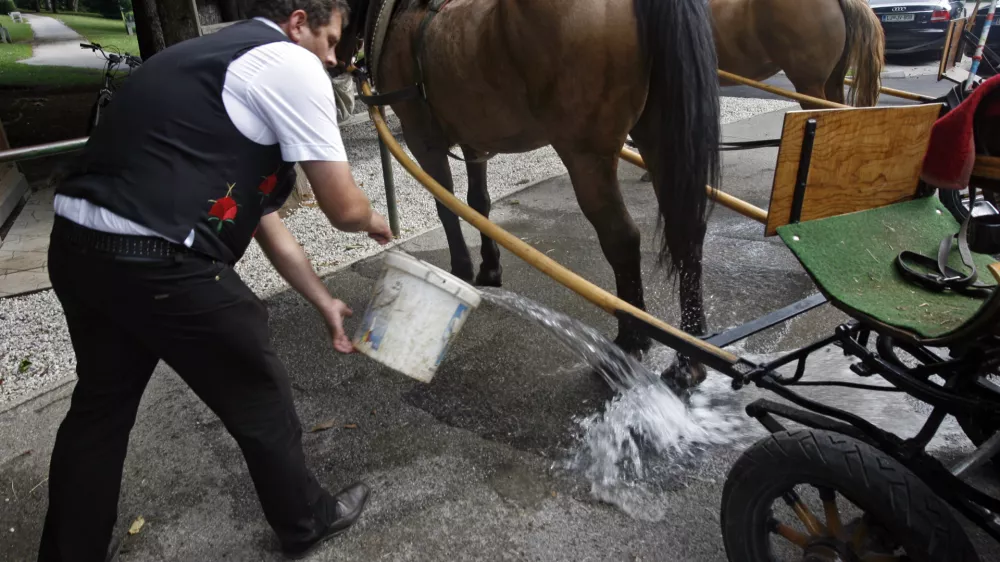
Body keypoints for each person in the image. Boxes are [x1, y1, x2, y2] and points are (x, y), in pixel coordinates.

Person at [38, 1, 392, 560]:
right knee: (259, 390)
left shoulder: (204, 61)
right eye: (330, 39)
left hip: (79, 245)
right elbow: (343, 207)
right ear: (298, 22)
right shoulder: (290, 63)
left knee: (100, 409)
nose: (334, 57)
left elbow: (264, 224)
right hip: (159, 259)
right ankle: (306, 520)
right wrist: (372, 220)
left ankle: (68, 552)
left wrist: (324, 299)